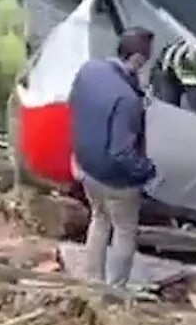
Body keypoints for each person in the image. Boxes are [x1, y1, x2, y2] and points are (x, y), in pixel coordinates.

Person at [67, 27, 157, 286]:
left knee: (99, 219)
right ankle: (115, 290)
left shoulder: (89, 70)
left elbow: (73, 106)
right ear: (139, 59)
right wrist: (148, 171)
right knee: (124, 231)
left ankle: (92, 280)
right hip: (115, 180)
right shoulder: (128, 99)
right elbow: (122, 152)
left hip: (85, 165)